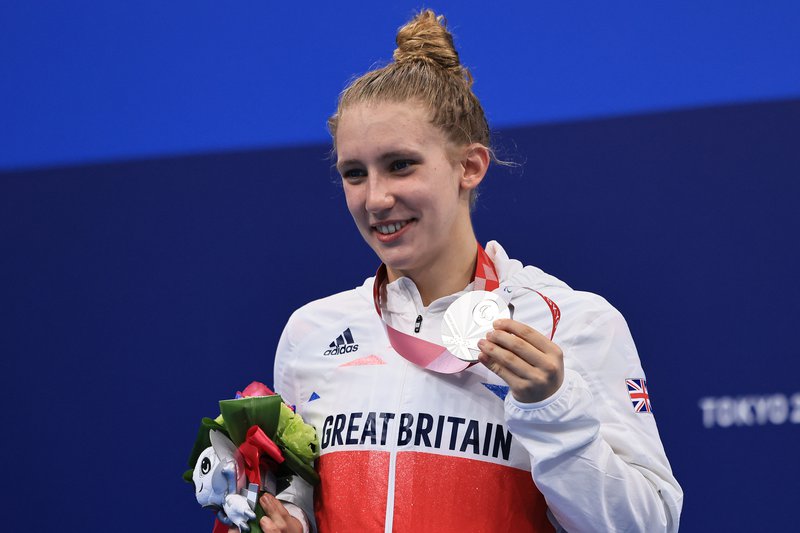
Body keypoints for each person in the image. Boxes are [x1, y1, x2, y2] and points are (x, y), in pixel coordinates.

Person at [235, 9, 683, 533]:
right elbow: (308, 508)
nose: (376, 198)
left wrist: (554, 408)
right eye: (354, 174)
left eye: (400, 165)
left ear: (469, 167)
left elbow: (648, 526)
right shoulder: (313, 332)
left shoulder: (571, 323)